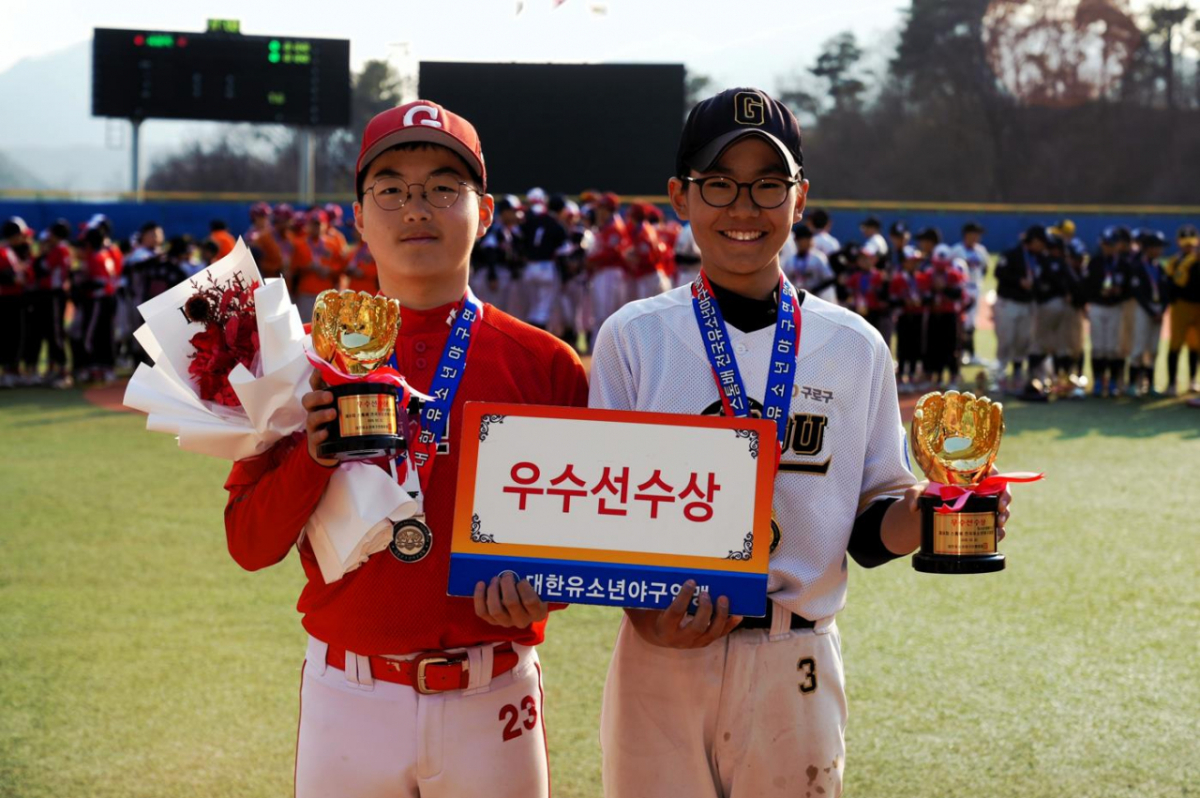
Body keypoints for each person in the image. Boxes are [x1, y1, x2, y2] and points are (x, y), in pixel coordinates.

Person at [589, 86, 1014, 798]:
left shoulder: (852, 345)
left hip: (795, 652)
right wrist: (644, 615)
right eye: (719, 183)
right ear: (679, 197)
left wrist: (945, 505)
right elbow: (600, 513)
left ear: (799, 195)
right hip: (660, 650)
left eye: (768, 184)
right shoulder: (634, 337)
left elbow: (874, 523)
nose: (744, 207)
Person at [223, 100, 588, 798]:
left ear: (484, 212)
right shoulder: (300, 362)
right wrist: (314, 454)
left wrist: (546, 590)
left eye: (442, 188)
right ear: (358, 216)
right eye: (390, 188)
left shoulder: (546, 364)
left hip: (494, 690)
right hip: (350, 693)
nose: (415, 206)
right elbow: (248, 543)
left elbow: (580, 547)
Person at [994, 226, 1044, 395]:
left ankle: (1016, 372)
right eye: (1041, 242)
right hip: (1009, 302)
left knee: (1023, 340)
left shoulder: (1040, 257)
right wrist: (1018, 281)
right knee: (1006, 338)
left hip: (1027, 303)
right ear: (1034, 240)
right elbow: (999, 272)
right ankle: (1000, 373)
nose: (1043, 246)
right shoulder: (1012, 254)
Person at [1085, 226, 1133, 397]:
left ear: (1117, 245)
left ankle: (1113, 381)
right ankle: (1098, 380)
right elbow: (1087, 285)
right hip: (1098, 306)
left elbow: (1129, 288)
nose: (1108, 247)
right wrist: (1099, 292)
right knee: (1098, 347)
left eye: (1111, 244)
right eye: (1106, 244)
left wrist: (1118, 291)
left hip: (1116, 308)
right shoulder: (1095, 262)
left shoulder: (1123, 264)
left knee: (1113, 348)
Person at [1126, 229, 1167, 396]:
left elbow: (1166, 293)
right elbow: (1138, 293)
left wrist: (1162, 310)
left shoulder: (1160, 268)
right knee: (1138, 347)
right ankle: (1132, 384)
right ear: (1147, 248)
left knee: (1154, 348)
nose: (1158, 250)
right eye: (1154, 247)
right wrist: (1151, 311)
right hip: (1144, 309)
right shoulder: (1138, 267)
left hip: (1158, 311)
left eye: (1159, 247)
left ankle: (1149, 385)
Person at [586, 192, 631, 343]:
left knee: (605, 314)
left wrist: (590, 260)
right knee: (601, 314)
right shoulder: (606, 226)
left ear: (609, 209)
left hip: (610, 273)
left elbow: (611, 252)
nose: (598, 212)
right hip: (605, 272)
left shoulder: (615, 227)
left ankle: (604, 350)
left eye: (601, 208)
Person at [1164, 224, 1200, 395]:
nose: (1189, 246)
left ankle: (1193, 380)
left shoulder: (1196, 260)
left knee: (1196, 346)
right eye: (1185, 243)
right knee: (1175, 345)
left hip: (1198, 307)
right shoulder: (1175, 261)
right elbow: (1170, 285)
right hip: (1181, 306)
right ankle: (1172, 383)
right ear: (1179, 242)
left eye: (1191, 243)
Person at [951, 221, 989, 366]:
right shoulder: (956, 250)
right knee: (961, 322)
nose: (977, 237)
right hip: (962, 290)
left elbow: (985, 268)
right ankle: (960, 353)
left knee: (971, 323)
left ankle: (970, 354)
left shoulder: (981, 250)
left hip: (975, 289)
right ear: (967, 234)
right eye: (975, 233)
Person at [1, 218, 32, 387]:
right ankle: (7, 372)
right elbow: (10, 277)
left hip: (14, 298)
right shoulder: (4, 252)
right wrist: (18, 276)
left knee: (16, 336)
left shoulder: (10, 252)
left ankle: (12, 369)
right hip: (7, 299)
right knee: (9, 336)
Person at [785, 224, 837, 303]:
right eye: (804, 239)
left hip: (816, 299)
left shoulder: (818, 257)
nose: (808, 241)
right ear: (796, 240)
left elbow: (829, 279)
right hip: (796, 299)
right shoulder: (790, 260)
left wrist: (815, 290)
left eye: (809, 238)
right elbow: (785, 281)